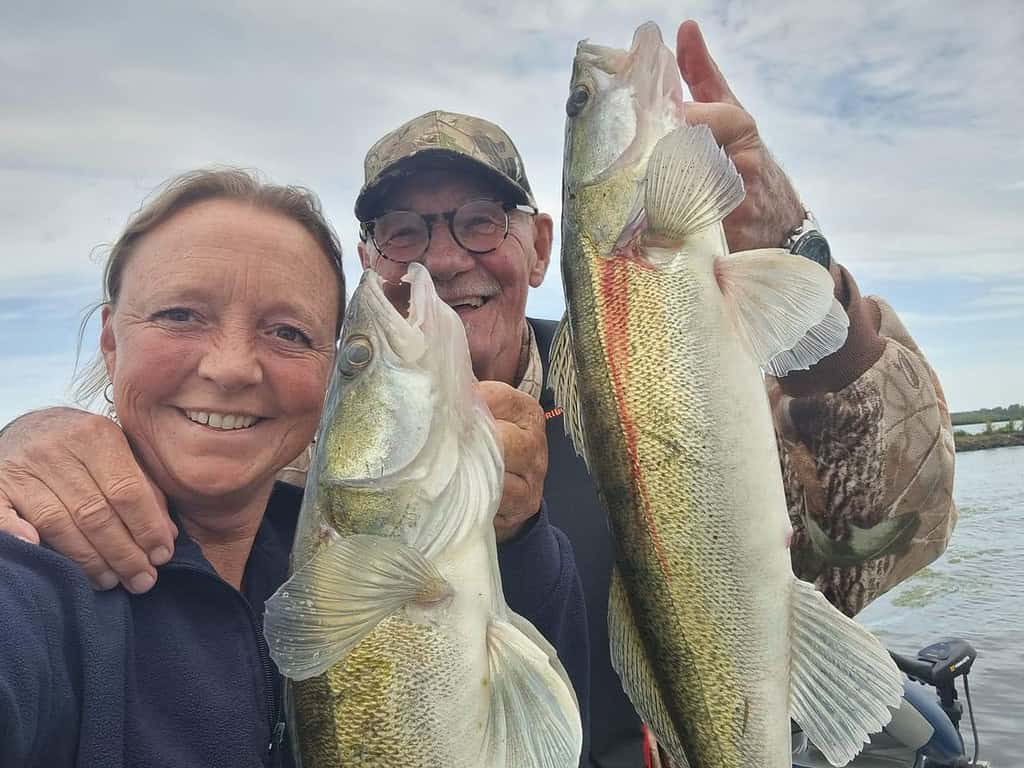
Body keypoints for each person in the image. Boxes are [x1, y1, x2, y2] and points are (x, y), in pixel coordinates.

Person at [0, 20, 956, 768]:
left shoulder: (650, 378)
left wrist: (786, 245)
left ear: (543, 245)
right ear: (371, 264)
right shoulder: (292, 450)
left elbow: (898, 521)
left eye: (480, 220)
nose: (448, 257)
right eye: (405, 231)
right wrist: (33, 446)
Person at [0, 168, 588, 768]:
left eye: (288, 331)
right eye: (180, 315)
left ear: (322, 377)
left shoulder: (303, 552)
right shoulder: (30, 579)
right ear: (110, 340)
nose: (232, 369)